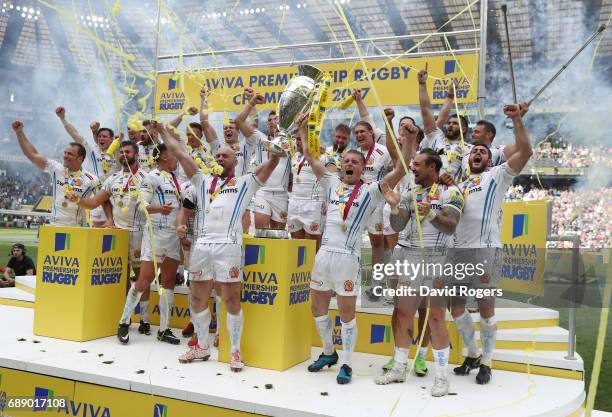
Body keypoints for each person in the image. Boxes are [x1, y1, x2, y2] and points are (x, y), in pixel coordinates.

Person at [302, 116, 414, 385]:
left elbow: (401, 169)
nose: (349, 164)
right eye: (346, 161)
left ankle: (348, 364)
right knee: (317, 308)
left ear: (364, 168)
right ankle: (329, 353)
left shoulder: (371, 191)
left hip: (348, 259)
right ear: (340, 166)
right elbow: (309, 154)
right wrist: (302, 129)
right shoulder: (331, 183)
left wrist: (409, 140)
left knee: (346, 313)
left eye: (355, 162)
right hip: (324, 255)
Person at [159, 122, 279, 372]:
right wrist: (162, 130)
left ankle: (234, 350)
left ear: (235, 161)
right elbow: (179, 152)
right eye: (217, 155)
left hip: (229, 246)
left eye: (225, 155)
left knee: (231, 299)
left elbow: (272, 163)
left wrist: (278, 143)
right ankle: (202, 346)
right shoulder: (201, 180)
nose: (220, 158)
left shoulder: (246, 182)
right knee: (197, 297)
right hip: (202, 245)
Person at [451, 103, 533, 384]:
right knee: (456, 306)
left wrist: (517, 121)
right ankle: (472, 353)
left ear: (489, 160)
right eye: (474, 150)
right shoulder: (457, 187)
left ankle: (487, 361)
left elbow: (526, 151)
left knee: (486, 309)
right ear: (467, 159)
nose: (477, 153)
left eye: (483, 152)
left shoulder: (496, 177)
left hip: (485, 251)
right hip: (457, 252)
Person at [375, 149, 465, 397]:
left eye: (417, 165)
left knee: (436, 317)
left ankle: (442, 377)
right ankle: (400, 367)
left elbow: (451, 226)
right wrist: (394, 208)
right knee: (404, 313)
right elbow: (398, 225)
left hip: (438, 256)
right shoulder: (410, 191)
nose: (412, 169)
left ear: (432, 168)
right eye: (412, 164)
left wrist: (433, 214)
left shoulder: (451, 191)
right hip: (411, 256)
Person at [70, 141, 149, 333]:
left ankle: (145, 319)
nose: (123, 154)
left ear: (136, 154)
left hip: (140, 233)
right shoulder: (112, 179)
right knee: (122, 278)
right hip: (118, 235)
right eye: (121, 152)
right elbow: (95, 202)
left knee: (141, 279)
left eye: (127, 151)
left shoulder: (147, 177)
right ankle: (126, 316)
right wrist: (79, 200)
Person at [116, 142, 182, 345]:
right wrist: (158, 209)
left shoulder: (175, 179)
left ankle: (164, 329)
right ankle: (124, 322)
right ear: (163, 156)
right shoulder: (152, 177)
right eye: (172, 152)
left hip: (173, 237)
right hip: (154, 235)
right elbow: (140, 204)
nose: (176, 156)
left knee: (168, 283)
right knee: (144, 281)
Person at [11, 120, 99, 227]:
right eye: (65, 153)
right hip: (55, 226)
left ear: (80, 159)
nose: (65, 156)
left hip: (77, 228)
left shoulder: (91, 179)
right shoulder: (56, 168)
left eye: (70, 154)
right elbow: (32, 155)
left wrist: (108, 220)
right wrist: (19, 132)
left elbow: (101, 201)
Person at [235, 89, 290, 230]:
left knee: (278, 237)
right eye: (269, 120)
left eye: (276, 118)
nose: (272, 122)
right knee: (261, 232)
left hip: (282, 195)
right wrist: (252, 102)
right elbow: (239, 121)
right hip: (263, 192)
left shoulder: (292, 142)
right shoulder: (260, 138)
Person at [55, 106, 119, 226]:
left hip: (116, 196)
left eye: (104, 136)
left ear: (111, 139)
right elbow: (75, 135)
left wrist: (118, 141)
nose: (101, 138)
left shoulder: (119, 153)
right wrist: (63, 118)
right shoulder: (92, 152)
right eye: (99, 136)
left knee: (115, 230)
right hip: (97, 196)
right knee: (98, 229)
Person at [351, 120, 393, 301]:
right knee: (353, 240)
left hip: (377, 203)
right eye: (357, 132)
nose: (359, 135)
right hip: (358, 201)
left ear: (371, 133)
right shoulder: (355, 154)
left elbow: (395, 172)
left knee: (378, 243)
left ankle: (378, 283)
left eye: (363, 132)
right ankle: (353, 279)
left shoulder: (383, 152)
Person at [418, 64, 468, 185]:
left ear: (464, 129)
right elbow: (426, 111)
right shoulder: (436, 137)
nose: (450, 125)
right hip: (425, 191)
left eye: (455, 124)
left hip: (450, 194)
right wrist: (422, 84)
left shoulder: (469, 149)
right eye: (449, 123)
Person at [287, 130, 325, 249]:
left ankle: (313, 268)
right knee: (297, 246)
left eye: (301, 139)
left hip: (313, 204)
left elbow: (331, 179)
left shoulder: (321, 155)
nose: (298, 142)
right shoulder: (294, 156)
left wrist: (327, 201)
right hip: (294, 203)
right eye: (296, 139)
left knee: (311, 248)